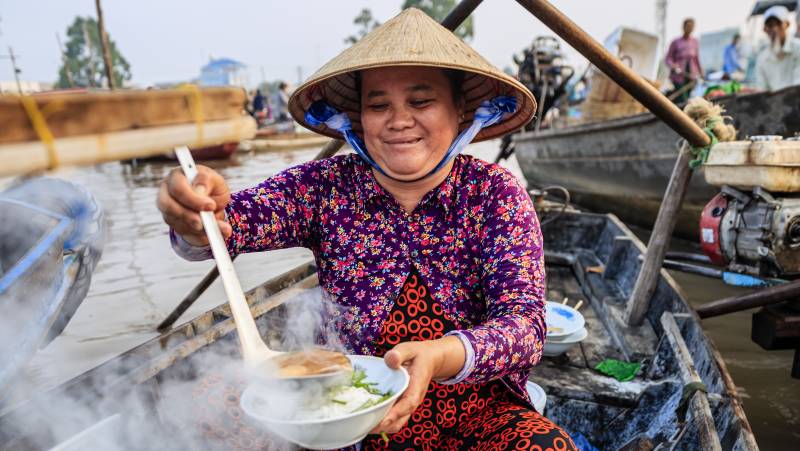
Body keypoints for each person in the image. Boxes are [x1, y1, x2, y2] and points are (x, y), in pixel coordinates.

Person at [157, 8, 576, 450]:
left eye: (421, 101)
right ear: (358, 120)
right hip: (346, 408)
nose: (398, 121)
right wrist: (195, 215)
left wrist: (438, 355)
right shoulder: (324, 186)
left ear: (459, 112)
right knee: (202, 402)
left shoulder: (495, 194)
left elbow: (525, 328)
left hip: (474, 416)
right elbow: (230, 224)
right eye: (378, 105)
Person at [756, 5, 800, 91]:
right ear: (765, 30)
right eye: (770, 26)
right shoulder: (762, 59)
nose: (774, 29)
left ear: (787, 24)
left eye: (778, 24)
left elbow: (798, 86)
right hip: (774, 103)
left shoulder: (798, 49)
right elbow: (762, 90)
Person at [665, 18, 703, 103]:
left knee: (689, 96)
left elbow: (697, 59)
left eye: (691, 27)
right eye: (688, 26)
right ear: (683, 27)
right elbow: (668, 59)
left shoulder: (695, 42)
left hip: (691, 76)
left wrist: (701, 72)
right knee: (682, 98)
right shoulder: (675, 42)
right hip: (678, 76)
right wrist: (673, 66)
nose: (689, 28)